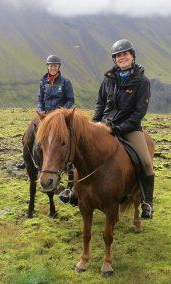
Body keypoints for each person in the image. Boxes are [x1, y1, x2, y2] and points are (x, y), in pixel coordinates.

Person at [60, 39, 155, 219]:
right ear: (114, 60)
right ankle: (73, 191)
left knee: (146, 163)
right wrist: (94, 124)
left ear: (132, 56)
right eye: (118, 55)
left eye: (125, 54)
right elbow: (100, 103)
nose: (122, 58)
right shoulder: (108, 79)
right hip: (104, 124)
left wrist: (117, 129)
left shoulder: (143, 81)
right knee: (78, 151)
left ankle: (146, 201)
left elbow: (139, 113)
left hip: (130, 128)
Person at [17, 55, 75, 192]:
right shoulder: (43, 82)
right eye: (51, 65)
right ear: (47, 67)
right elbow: (39, 99)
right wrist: (40, 110)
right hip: (45, 115)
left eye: (55, 66)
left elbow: (70, 100)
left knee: (68, 138)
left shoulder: (66, 82)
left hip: (59, 117)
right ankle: (29, 159)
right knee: (29, 134)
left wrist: (60, 113)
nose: (53, 68)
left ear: (58, 67)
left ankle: (71, 166)